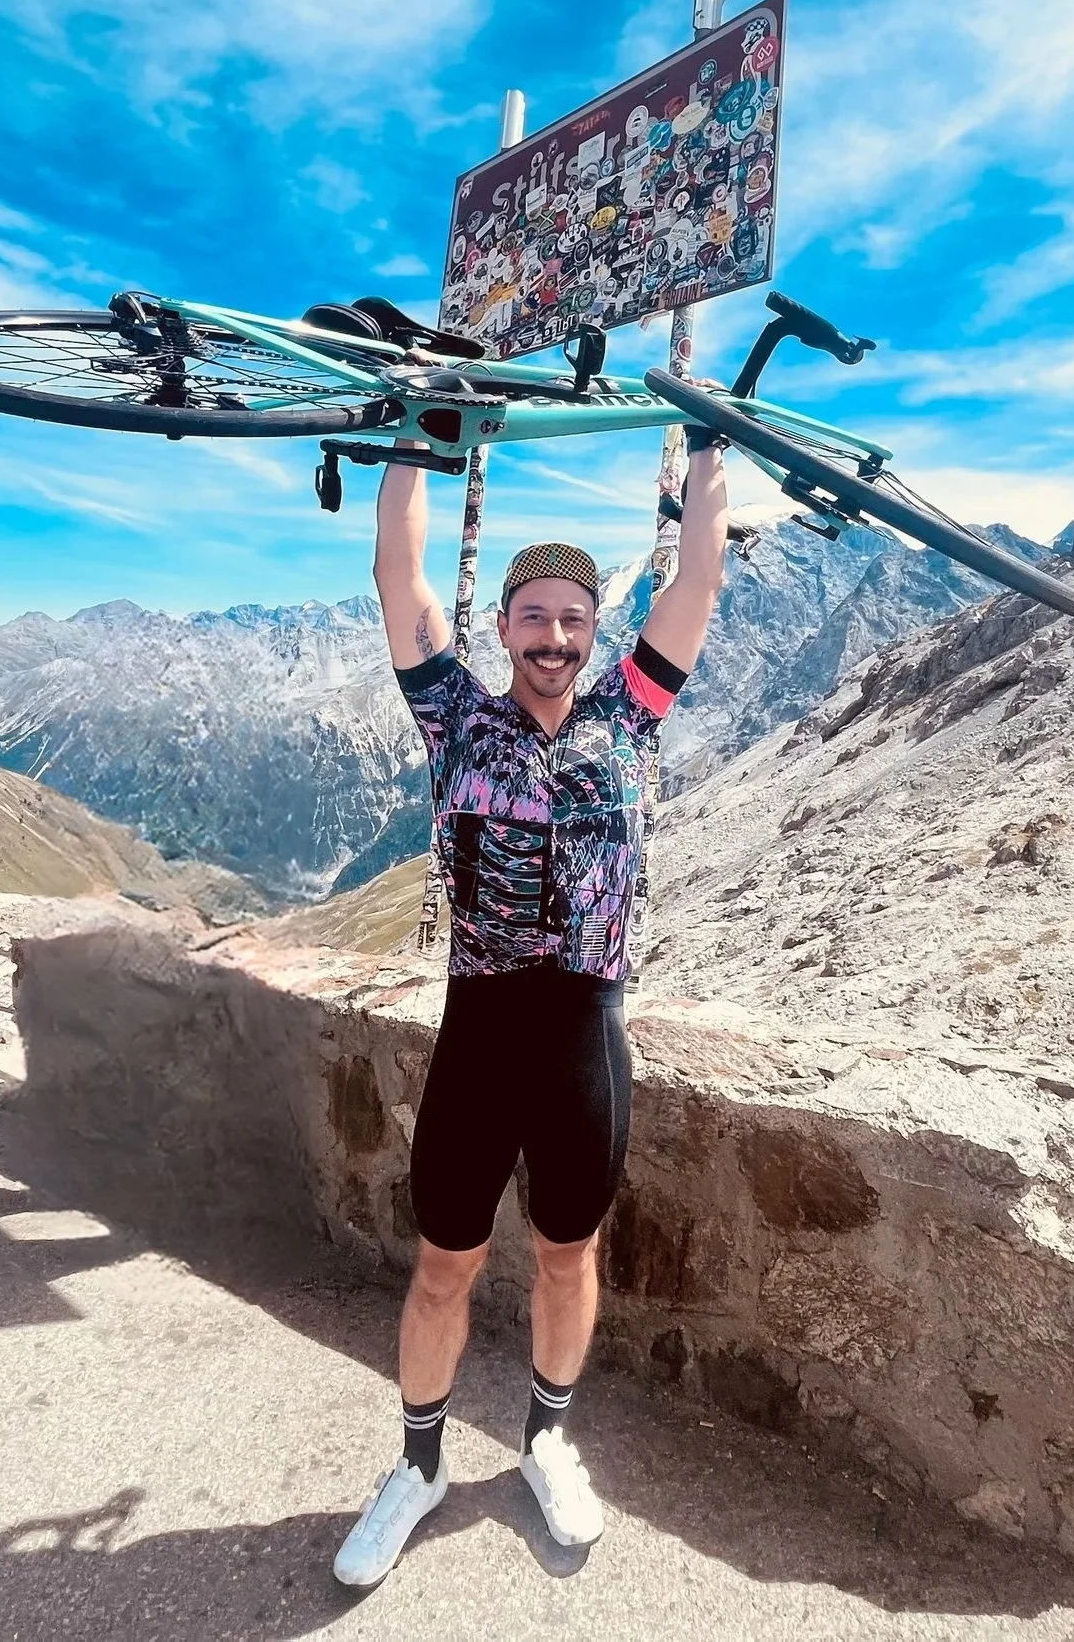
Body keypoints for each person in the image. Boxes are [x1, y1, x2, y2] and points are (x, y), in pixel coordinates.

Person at [333, 426, 729, 1588]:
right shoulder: (454, 716)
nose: (553, 640)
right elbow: (398, 574)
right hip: (480, 1034)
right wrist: (416, 434)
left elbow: (698, 574)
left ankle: (548, 1439)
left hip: (584, 1045)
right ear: (504, 625)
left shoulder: (634, 715)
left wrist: (709, 449)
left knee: (569, 1257)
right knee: (443, 1265)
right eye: (534, 617)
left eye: (573, 620)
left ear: (595, 633)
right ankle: (417, 1469)